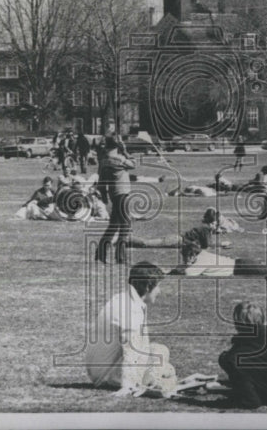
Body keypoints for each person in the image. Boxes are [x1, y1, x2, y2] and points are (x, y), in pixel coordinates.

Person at [85, 262, 177, 397]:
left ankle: (158, 379)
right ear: (147, 287)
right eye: (158, 286)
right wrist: (128, 384)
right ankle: (154, 382)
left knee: (160, 352)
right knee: (162, 360)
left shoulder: (125, 299)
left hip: (103, 369)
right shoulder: (129, 308)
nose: (159, 291)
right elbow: (130, 347)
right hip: (106, 374)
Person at [95, 135, 137, 264]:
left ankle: (101, 252)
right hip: (122, 193)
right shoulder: (119, 159)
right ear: (116, 146)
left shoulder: (103, 160)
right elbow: (134, 164)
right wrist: (124, 150)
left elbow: (101, 180)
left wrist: (103, 195)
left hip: (114, 194)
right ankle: (120, 256)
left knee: (114, 225)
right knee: (125, 225)